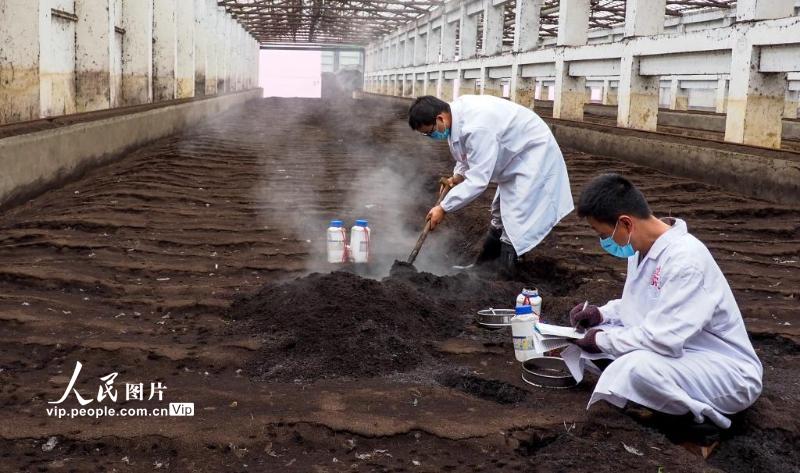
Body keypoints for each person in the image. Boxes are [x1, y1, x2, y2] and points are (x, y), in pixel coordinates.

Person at [564, 173, 762, 432]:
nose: (605, 242)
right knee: (595, 345)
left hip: (725, 371)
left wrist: (600, 340)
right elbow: (641, 304)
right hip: (683, 352)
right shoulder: (641, 249)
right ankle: (656, 399)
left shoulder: (685, 261)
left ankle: (701, 422)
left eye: (604, 234)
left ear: (625, 223)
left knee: (635, 369)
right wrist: (600, 315)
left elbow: (662, 339)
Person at [408, 95, 574, 269]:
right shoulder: (456, 117)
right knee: (499, 211)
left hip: (532, 155)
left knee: (515, 218)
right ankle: (483, 268)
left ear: (440, 118)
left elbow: (478, 181)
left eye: (429, 132)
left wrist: (443, 207)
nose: (431, 136)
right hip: (514, 156)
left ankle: (505, 272)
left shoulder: (477, 127)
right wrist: (457, 176)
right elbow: (466, 154)